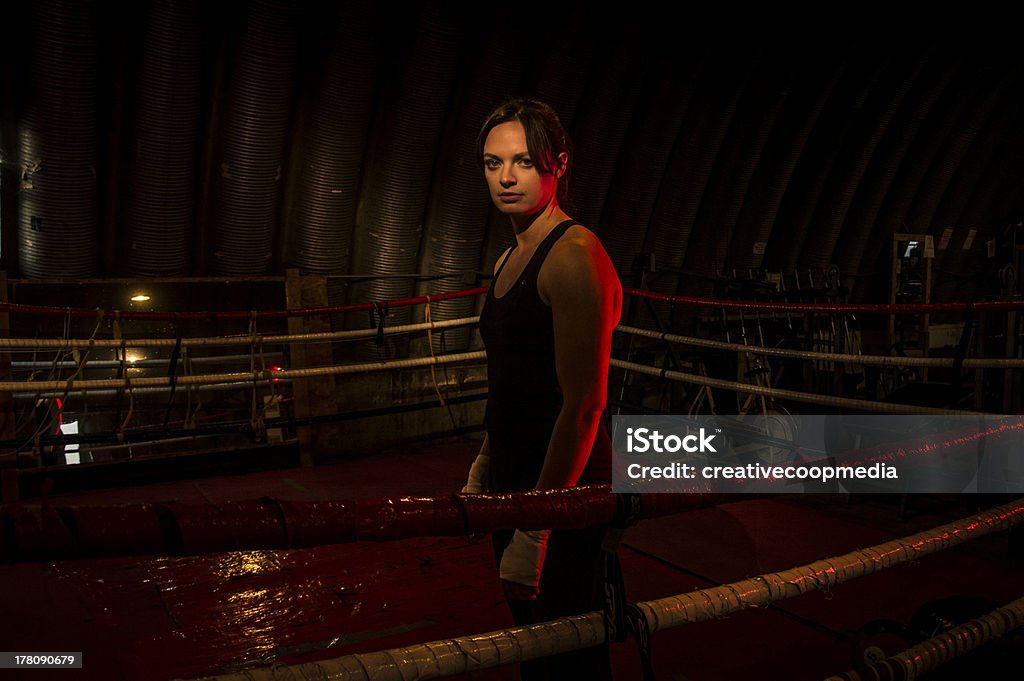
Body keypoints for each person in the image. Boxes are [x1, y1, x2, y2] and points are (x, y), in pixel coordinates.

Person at [461, 97, 622, 680]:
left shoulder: (574, 255)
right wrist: (486, 458)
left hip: (563, 488)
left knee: (569, 653)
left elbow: (584, 405)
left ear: (558, 163)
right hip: (517, 477)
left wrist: (539, 526)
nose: (505, 177)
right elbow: (513, 376)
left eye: (523, 161)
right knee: (534, 652)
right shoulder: (511, 253)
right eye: (491, 162)